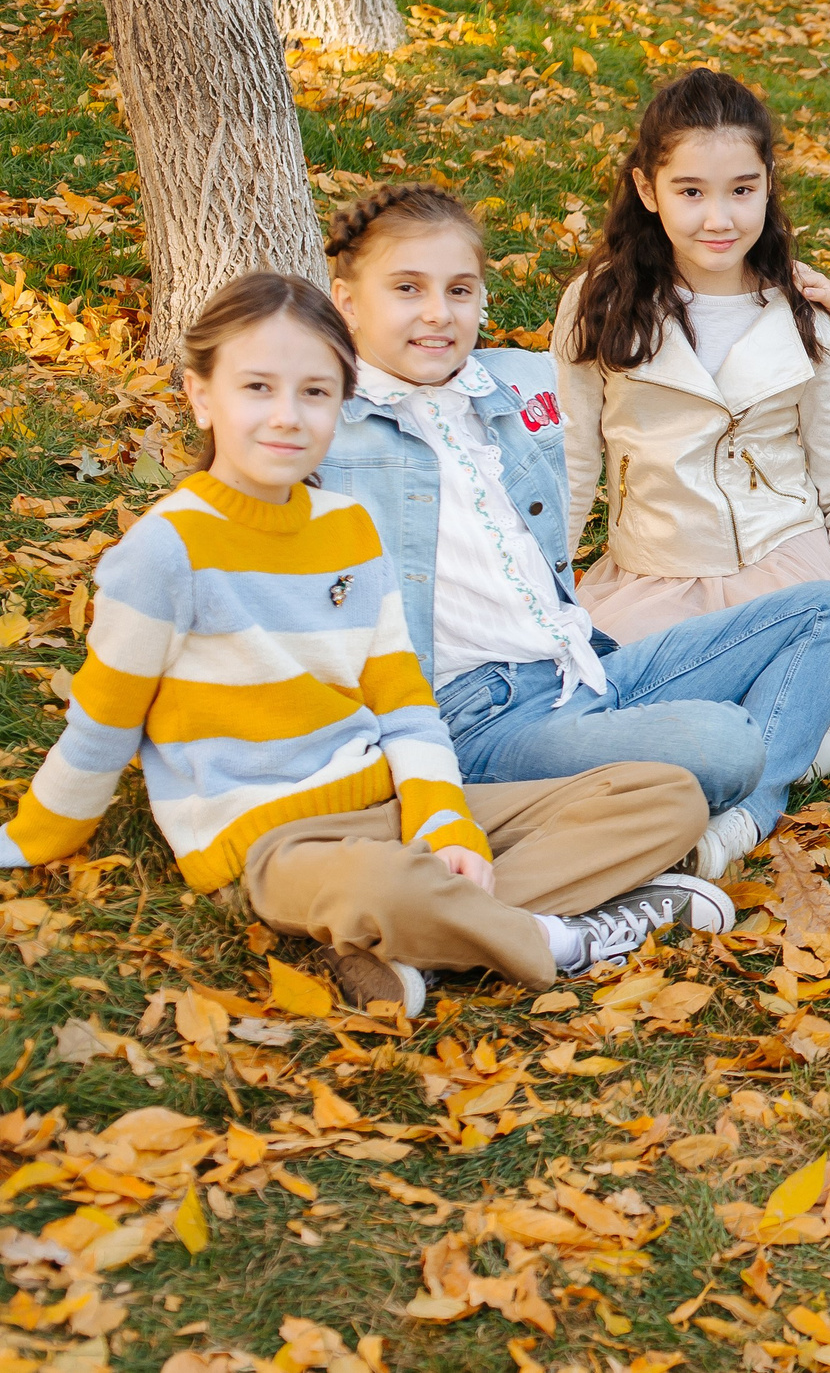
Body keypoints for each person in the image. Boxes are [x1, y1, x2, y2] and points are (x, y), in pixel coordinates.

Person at [0, 274, 732, 1018]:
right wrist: (39, 835)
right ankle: (565, 940)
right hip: (271, 845)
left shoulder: (348, 526)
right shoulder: (165, 549)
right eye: (257, 387)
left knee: (665, 793)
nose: (286, 416)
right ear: (200, 395)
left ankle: (411, 943)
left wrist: (443, 816)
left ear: (342, 405)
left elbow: (405, 701)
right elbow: (104, 718)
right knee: (383, 888)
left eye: (316, 393)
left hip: (386, 804)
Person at [319, 183, 830, 884]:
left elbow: (584, 468)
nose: (437, 313)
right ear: (347, 301)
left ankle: (736, 809)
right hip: (480, 715)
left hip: (583, 668)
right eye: (406, 288)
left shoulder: (503, 389)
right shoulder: (332, 429)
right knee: (726, 739)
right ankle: (740, 794)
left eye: (460, 289)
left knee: (827, 609)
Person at [554, 68, 830, 761]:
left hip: (785, 563)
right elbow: (570, 463)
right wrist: (545, 589)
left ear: (768, 184)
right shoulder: (599, 305)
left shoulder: (807, 317)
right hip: (656, 574)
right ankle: (791, 736)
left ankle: (797, 729)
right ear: (646, 190)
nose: (719, 218)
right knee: (602, 686)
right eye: (691, 192)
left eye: (742, 190)